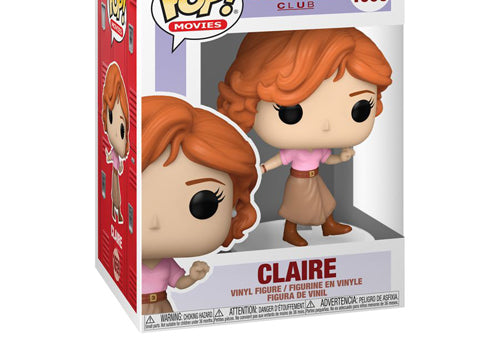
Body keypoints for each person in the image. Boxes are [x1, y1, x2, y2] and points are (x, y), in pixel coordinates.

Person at [218, 28, 392, 246]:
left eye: (360, 108)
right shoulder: (295, 150)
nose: (326, 126)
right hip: (299, 181)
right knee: (295, 208)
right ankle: (289, 231)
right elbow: (280, 159)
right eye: (290, 111)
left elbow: (328, 159)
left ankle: (329, 225)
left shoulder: (319, 148)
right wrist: (263, 168)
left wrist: (341, 158)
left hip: (314, 178)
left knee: (326, 202)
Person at [141, 95, 259, 314]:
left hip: (162, 307)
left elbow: (179, 283)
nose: (155, 222)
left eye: (204, 205)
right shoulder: (128, 260)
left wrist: (193, 277)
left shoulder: (167, 263)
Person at [102, 62, 130, 224]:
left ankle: (117, 212)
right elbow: (110, 161)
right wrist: (108, 155)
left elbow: (118, 166)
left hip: (115, 175)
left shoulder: (117, 154)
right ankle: (115, 212)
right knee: (115, 193)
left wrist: (119, 165)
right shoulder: (114, 152)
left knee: (116, 194)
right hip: (114, 176)